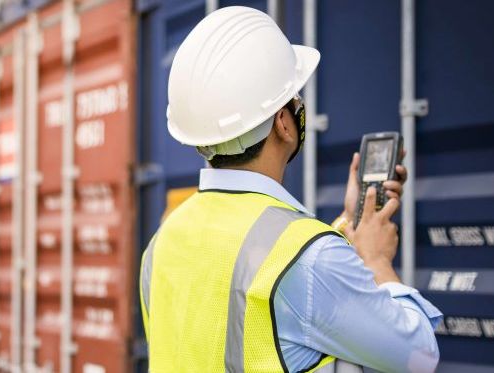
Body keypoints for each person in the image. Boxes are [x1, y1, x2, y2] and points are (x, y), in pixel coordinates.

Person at [139, 6, 442, 373]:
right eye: (295, 99)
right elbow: (420, 357)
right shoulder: (311, 259)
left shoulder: (164, 240)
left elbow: (260, 278)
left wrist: (349, 220)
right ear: (284, 123)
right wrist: (376, 259)